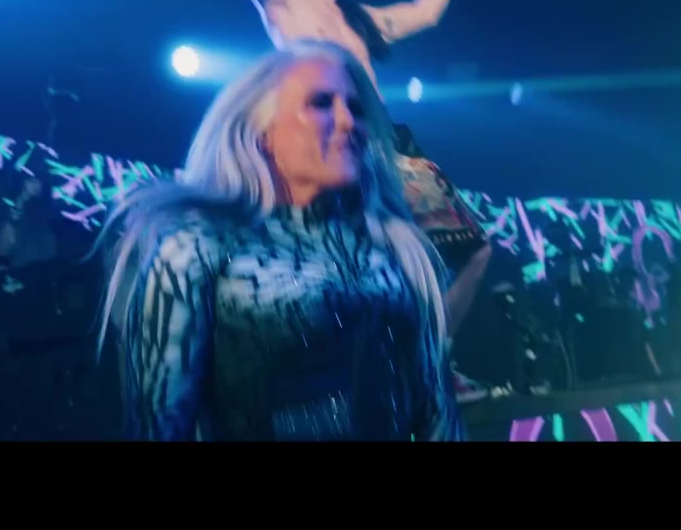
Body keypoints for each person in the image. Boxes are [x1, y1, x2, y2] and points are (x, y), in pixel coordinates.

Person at [94, 40, 463, 441]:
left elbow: (437, 410)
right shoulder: (195, 249)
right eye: (321, 103)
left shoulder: (396, 248)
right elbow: (158, 426)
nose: (348, 122)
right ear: (262, 133)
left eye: (356, 108)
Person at [225, 0, 491, 341]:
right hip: (327, 142)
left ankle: (432, 352)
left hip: (385, 143)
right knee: (359, 266)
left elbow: (424, 13)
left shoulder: (360, 19)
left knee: (472, 252)